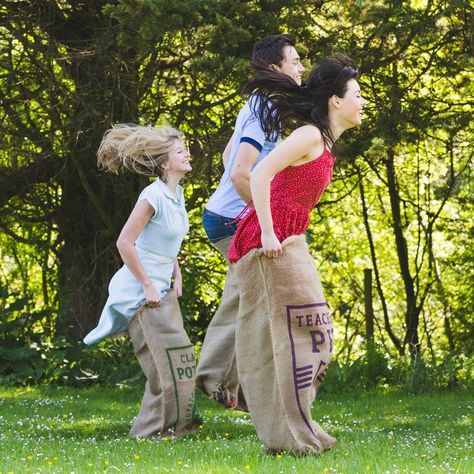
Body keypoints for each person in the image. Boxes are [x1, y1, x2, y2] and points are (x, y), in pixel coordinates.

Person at [228, 55, 367, 454]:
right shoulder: (308, 135)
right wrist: (270, 233)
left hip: (289, 237)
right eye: (356, 95)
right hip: (268, 239)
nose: (362, 102)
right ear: (335, 101)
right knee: (298, 335)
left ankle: (298, 426)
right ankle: (290, 434)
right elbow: (259, 174)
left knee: (312, 333)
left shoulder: (324, 143)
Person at [196, 34, 305, 409]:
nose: (301, 67)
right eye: (294, 60)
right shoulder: (263, 108)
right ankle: (218, 380)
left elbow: (229, 153)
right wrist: (267, 220)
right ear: (274, 67)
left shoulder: (263, 105)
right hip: (230, 220)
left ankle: (231, 385)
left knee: (246, 294)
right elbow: (243, 172)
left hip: (226, 214)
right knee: (252, 297)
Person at [83, 124, 199, 439]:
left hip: (161, 288)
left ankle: (179, 426)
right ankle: (147, 433)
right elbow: (125, 243)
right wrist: (148, 284)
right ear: (164, 164)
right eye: (179, 151)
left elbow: (166, 239)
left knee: (181, 360)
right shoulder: (153, 195)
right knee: (163, 366)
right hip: (139, 292)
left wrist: (176, 271)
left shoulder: (178, 194)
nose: (187, 154)